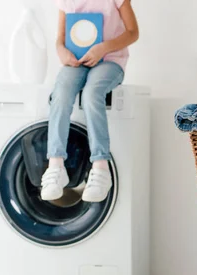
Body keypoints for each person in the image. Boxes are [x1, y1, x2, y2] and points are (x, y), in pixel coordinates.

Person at [41, 0, 138, 203]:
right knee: (61, 94)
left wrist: (103, 48)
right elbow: (60, 39)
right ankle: (55, 165)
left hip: (110, 61)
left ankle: (101, 167)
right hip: (76, 61)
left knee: (92, 94)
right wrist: (62, 52)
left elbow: (132, 32)